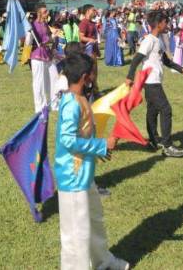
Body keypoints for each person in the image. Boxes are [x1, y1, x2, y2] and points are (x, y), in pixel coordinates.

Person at [54, 53, 129, 270]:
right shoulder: (71, 105)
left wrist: (98, 149)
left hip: (84, 175)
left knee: (94, 222)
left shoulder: (80, 99)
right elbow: (68, 141)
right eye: (94, 74)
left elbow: (83, 134)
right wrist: (101, 145)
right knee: (76, 234)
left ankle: (103, 261)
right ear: (86, 76)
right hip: (73, 177)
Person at [127, 10, 183, 158]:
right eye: (165, 22)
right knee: (166, 109)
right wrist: (130, 77)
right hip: (151, 81)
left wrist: (182, 70)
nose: (167, 24)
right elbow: (137, 58)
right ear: (158, 24)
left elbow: (166, 61)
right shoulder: (149, 40)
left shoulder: (159, 40)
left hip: (154, 81)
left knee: (153, 110)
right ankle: (168, 146)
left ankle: (153, 140)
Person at [25, 3, 57, 113]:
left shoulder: (46, 24)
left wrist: (53, 44)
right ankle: (40, 107)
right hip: (37, 55)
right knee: (39, 82)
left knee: (54, 78)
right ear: (38, 13)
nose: (47, 13)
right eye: (45, 12)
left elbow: (49, 39)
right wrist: (29, 33)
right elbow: (28, 43)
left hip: (48, 54)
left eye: (47, 11)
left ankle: (54, 104)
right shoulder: (32, 25)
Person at [78, 4, 101, 97]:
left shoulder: (92, 23)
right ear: (87, 11)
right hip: (86, 52)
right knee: (89, 74)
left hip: (93, 51)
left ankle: (95, 91)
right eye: (93, 10)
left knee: (94, 73)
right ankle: (88, 93)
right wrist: (90, 40)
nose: (95, 12)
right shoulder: (84, 23)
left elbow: (94, 37)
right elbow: (81, 37)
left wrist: (97, 50)